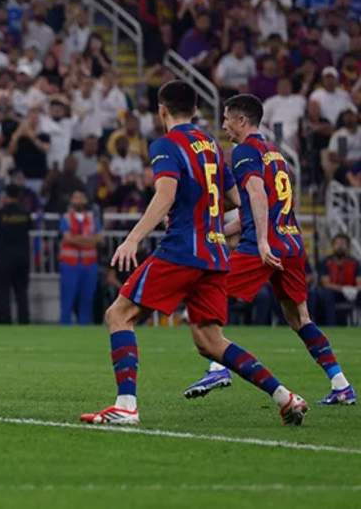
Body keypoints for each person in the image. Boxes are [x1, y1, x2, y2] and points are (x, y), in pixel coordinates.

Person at [80, 80, 307, 426]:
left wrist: (133, 239)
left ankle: (126, 406)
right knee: (209, 341)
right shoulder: (211, 144)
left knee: (119, 315)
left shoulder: (166, 144)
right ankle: (285, 397)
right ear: (195, 110)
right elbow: (234, 198)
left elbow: (165, 194)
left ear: (162, 110)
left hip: (182, 250)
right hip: (215, 255)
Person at [183, 95, 353, 405]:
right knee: (299, 318)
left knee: (206, 292)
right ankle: (341, 384)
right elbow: (258, 210)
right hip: (291, 242)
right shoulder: (274, 153)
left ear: (242, 120)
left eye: (227, 119)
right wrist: (215, 231)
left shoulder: (244, 151)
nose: (224, 125)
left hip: (265, 245)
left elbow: (258, 195)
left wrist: (261, 241)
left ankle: (218, 368)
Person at [59, 190, 101, 325]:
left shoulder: (92, 218)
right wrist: (88, 240)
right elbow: (68, 238)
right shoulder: (66, 217)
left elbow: (99, 239)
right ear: (71, 200)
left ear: (85, 200)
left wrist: (77, 239)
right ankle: (65, 327)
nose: (78, 200)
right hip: (69, 264)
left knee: (87, 299)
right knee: (67, 299)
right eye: (75, 197)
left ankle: (85, 327)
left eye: (80, 197)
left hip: (89, 264)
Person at [0, 184, 30, 324]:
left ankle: (4, 321)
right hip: (22, 258)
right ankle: (24, 320)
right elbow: (30, 227)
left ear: (6, 196)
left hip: (4, 258)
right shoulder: (25, 214)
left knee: (3, 292)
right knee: (21, 292)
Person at [315, 234, 361, 324]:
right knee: (326, 294)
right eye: (338, 244)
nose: (340, 246)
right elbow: (326, 283)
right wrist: (343, 289)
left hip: (352, 293)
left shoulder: (355, 262)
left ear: (348, 247)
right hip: (332, 293)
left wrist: (355, 290)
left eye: (343, 244)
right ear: (333, 246)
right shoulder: (326, 262)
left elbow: (359, 282)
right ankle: (331, 325)